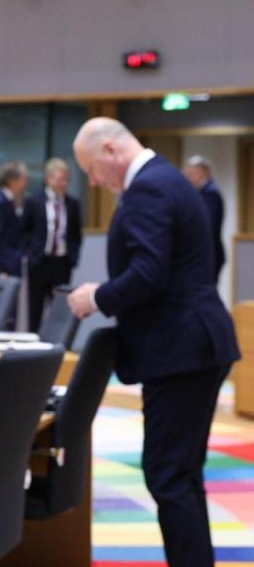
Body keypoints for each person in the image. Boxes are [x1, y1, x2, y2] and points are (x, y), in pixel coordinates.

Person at [67, 118, 239, 567]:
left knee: (168, 477)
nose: (93, 181)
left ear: (109, 149)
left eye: (90, 168)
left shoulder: (148, 188)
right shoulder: (167, 178)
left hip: (180, 349)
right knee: (179, 476)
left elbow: (148, 272)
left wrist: (95, 297)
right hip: (193, 344)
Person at [22, 157, 82, 332]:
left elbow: (76, 235)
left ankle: (59, 348)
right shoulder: (34, 202)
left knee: (61, 310)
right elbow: (24, 231)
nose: (62, 183)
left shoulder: (73, 204)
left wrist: (73, 258)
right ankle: (32, 351)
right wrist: (29, 254)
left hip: (62, 263)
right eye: (58, 179)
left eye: (65, 180)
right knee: (35, 310)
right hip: (39, 262)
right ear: (48, 178)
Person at [183, 155, 226, 284]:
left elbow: (206, 223)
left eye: (190, 173)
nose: (187, 178)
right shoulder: (197, 193)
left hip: (208, 255)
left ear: (203, 172)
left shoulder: (210, 194)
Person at [0, 160, 27, 277]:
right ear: (12, 181)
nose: (25, 183)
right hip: (3, 268)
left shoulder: (11, 201)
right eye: (23, 179)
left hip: (12, 265)